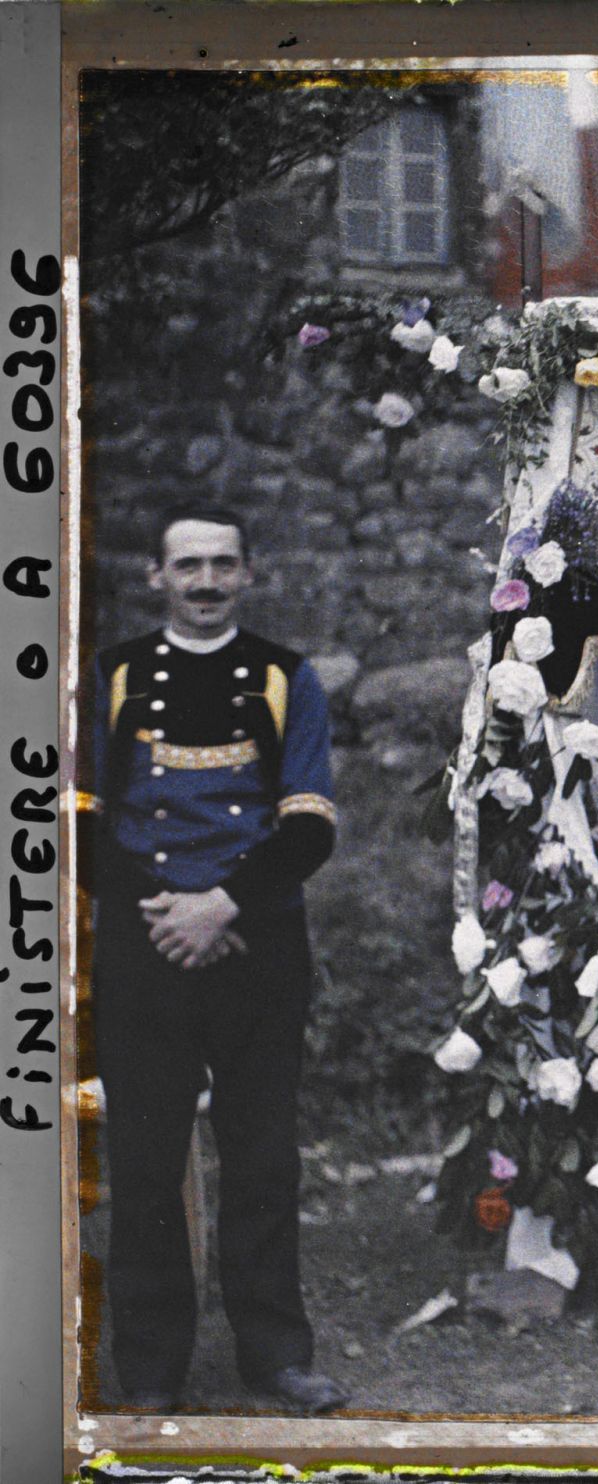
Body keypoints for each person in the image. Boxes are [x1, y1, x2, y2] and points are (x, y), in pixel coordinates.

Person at [79, 504, 348, 1414]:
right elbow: (76, 821)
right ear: (156, 576)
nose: (203, 582)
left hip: (257, 942)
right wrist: (167, 912)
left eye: (221, 565)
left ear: (247, 574)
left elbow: (309, 826)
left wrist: (222, 904)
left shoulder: (284, 677)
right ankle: (150, 1370)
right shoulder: (110, 677)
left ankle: (276, 1356)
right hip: (146, 941)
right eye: (186, 566)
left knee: (263, 1155)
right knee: (147, 1162)